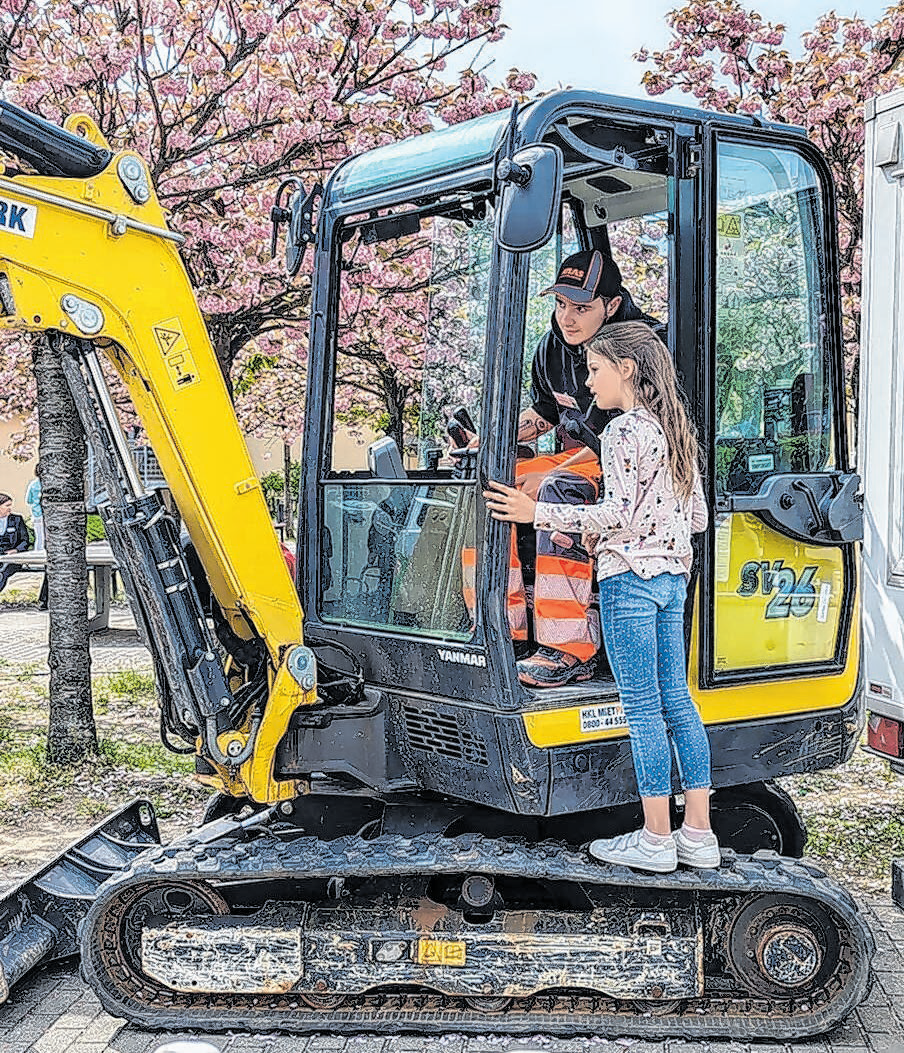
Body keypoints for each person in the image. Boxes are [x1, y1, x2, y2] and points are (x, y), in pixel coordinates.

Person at [483, 320, 718, 873]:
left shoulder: (620, 433)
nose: (588, 384)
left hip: (629, 583)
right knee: (678, 704)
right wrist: (617, 529)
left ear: (626, 369)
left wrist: (535, 512)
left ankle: (656, 839)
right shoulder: (674, 429)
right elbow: (697, 517)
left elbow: (616, 514)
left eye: (594, 370)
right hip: (669, 581)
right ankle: (698, 833)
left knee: (640, 709)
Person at [508, 248, 664, 688]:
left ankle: (569, 646)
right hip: (586, 454)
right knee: (500, 481)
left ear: (611, 306)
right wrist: (494, 440)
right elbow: (545, 415)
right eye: (560, 305)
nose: (567, 318)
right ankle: (509, 627)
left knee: (556, 485)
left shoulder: (640, 350)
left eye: (581, 308)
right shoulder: (554, 347)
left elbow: (624, 442)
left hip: (633, 469)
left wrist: (545, 478)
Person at [0, 492, 32, 593]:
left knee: (2, 573)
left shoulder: (17, 519)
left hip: (12, 558)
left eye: (10, 505)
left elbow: (25, 541)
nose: (10, 508)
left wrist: (16, 550)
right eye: (7, 505)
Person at [25, 467, 43, 551]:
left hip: (37, 514)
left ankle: (38, 555)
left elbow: (28, 500)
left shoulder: (33, 484)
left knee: (39, 538)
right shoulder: (51, 484)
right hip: (52, 514)